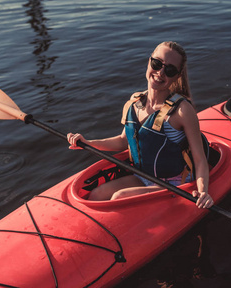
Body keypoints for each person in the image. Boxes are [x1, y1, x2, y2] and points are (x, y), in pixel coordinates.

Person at [67, 41, 213, 209]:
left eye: (170, 70)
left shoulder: (182, 111)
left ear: (177, 76)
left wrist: (203, 192)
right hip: (143, 176)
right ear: (149, 61)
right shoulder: (134, 102)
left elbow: (200, 160)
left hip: (174, 182)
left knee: (119, 197)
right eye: (157, 63)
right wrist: (88, 143)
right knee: (96, 194)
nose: (160, 72)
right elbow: (123, 141)